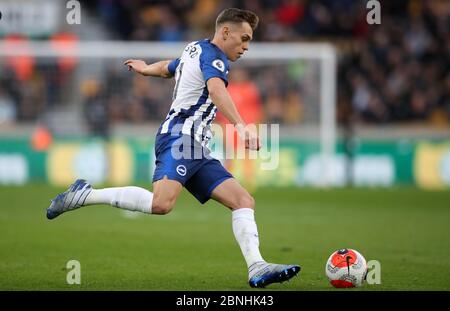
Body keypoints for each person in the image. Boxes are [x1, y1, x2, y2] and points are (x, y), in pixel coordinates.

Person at [46, 8, 300, 288]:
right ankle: (84, 195)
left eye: (249, 41)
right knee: (161, 203)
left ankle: (257, 267)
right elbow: (216, 90)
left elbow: (171, 67)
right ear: (225, 32)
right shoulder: (214, 58)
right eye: (244, 38)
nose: (246, 47)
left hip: (197, 149)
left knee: (243, 201)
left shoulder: (195, 49)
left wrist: (146, 69)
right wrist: (242, 126)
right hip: (179, 137)